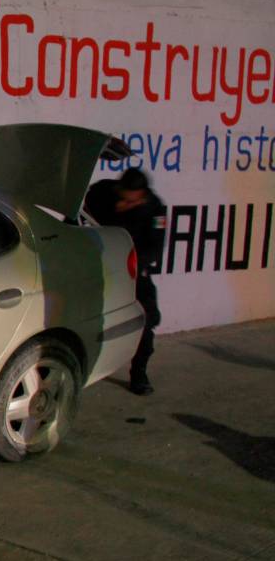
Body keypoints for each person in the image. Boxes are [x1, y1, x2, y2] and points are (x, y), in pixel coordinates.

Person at [86, 167, 167, 396]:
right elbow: (86, 210)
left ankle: (139, 374)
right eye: (123, 195)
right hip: (98, 265)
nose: (127, 199)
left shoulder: (154, 209)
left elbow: (154, 250)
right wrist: (117, 211)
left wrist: (130, 263)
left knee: (146, 320)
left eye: (132, 197)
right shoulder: (104, 192)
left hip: (132, 271)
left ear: (141, 193)